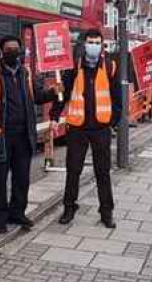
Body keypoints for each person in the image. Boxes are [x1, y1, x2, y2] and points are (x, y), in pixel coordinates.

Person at [0, 35, 62, 233]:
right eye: (9, 49)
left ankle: (17, 213)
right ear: (1, 52)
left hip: (24, 135)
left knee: (22, 177)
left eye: (16, 49)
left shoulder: (27, 73)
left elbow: (39, 96)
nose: (13, 53)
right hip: (0, 135)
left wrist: (54, 92)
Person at [50, 29, 122, 228]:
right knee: (73, 170)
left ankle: (106, 212)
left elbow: (117, 98)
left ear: (102, 45)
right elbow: (62, 94)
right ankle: (69, 208)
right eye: (90, 41)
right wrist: (55, 116)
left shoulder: (110, 67)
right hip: (77, 127)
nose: (93, 45)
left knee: (103, 172)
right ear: (84, 44)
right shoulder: (74, 66)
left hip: (101, 128)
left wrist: (112, 121)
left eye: (97, 42)